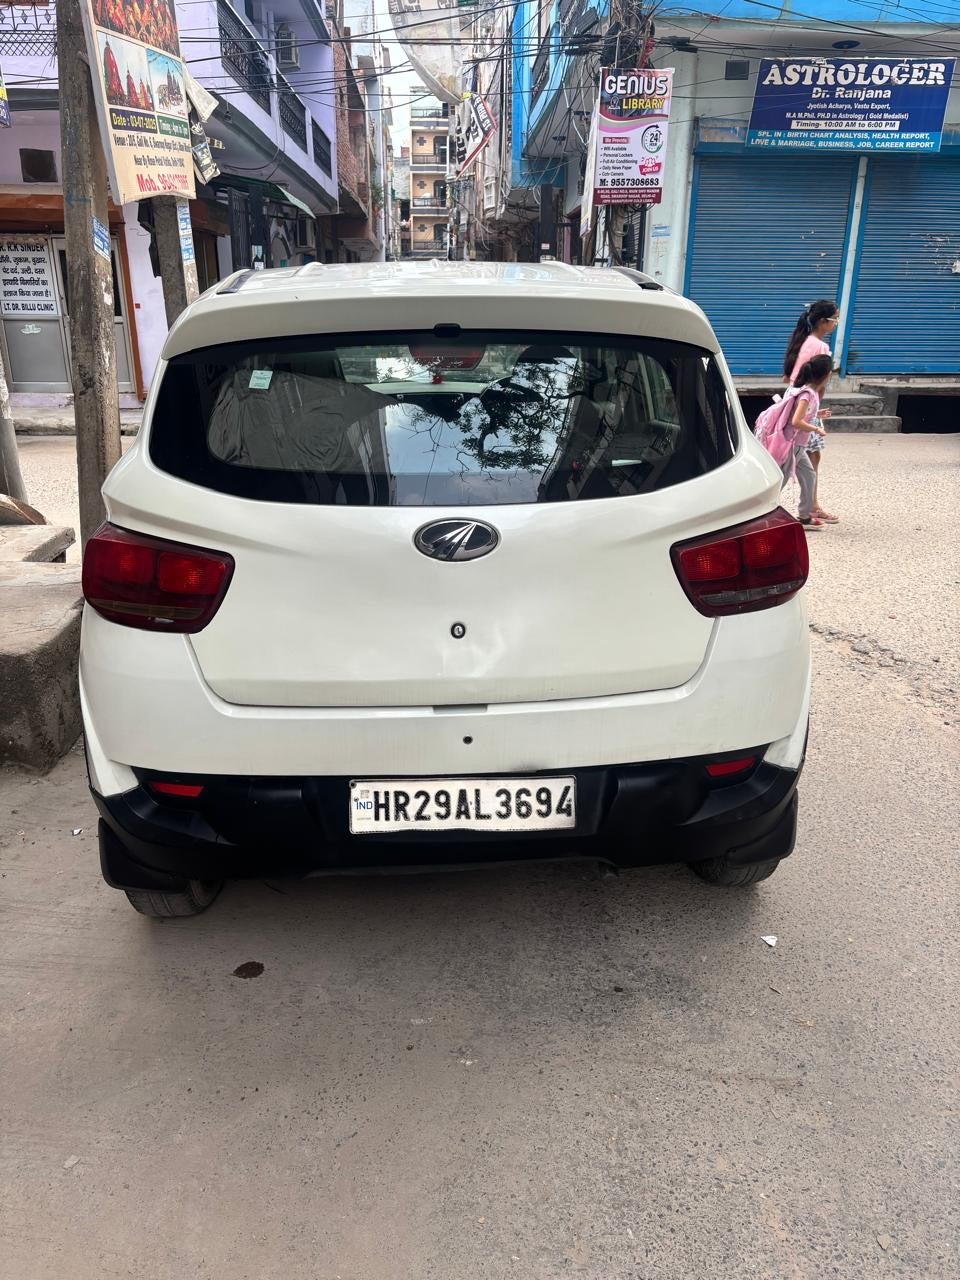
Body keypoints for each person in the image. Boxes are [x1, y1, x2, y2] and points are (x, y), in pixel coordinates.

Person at [783, 300, 840, 523]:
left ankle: (811, 506)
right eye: (834, 319)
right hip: (807, 404)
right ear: (823, 322)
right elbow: (820, 382)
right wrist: (815, 410)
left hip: (796, 399)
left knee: (806, 457)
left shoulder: (804, 341)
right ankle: (811, 507)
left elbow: (789, 377)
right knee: (809, 459)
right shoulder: (820, 347)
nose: (836, 323)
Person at [778, 354, 832, 529]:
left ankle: (804, 516)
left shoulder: (810, 393)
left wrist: (817, 414)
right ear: (826, 374)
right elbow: (796, 421)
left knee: (809, 475)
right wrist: (816, 428)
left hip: (798, 445)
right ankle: (759, 513)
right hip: (791, 444)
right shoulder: (807, 394)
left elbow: (801, 414)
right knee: (781, 480)